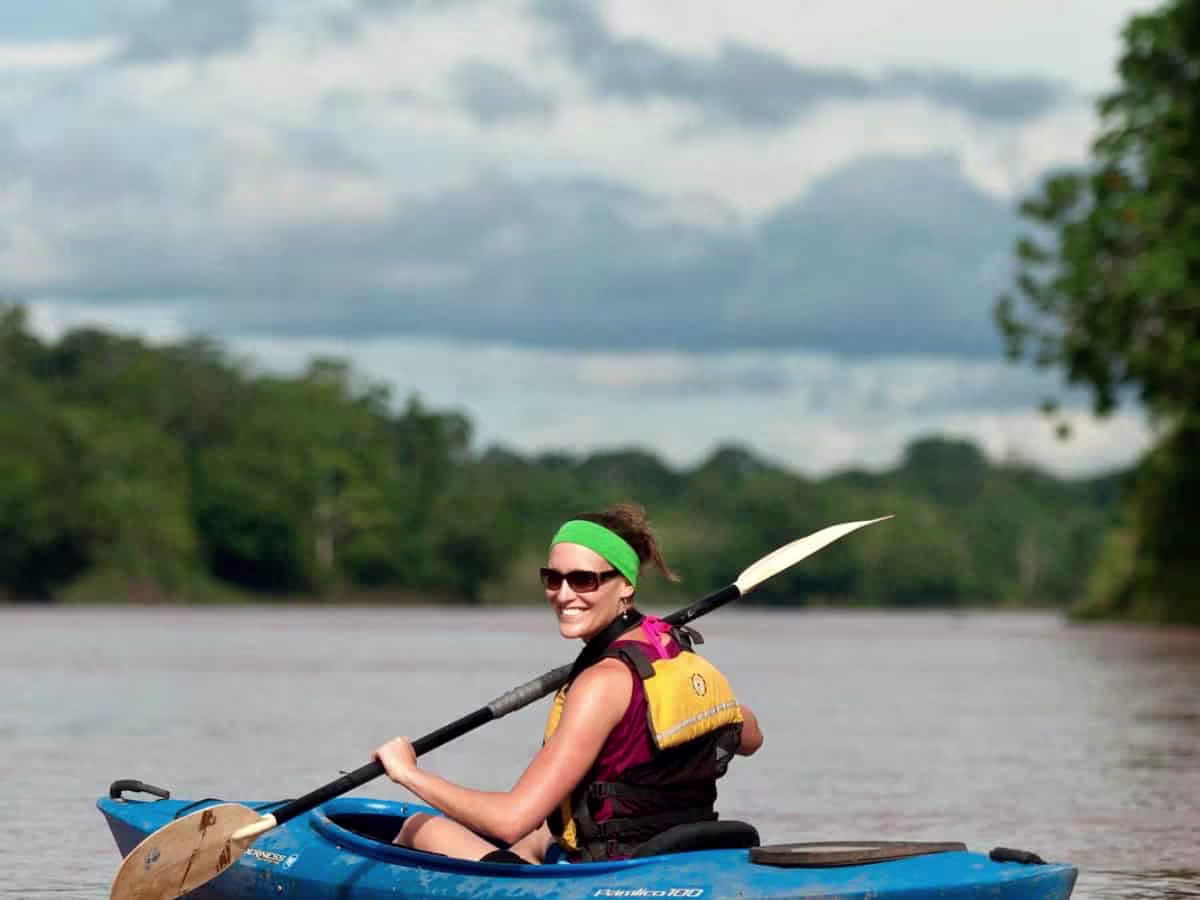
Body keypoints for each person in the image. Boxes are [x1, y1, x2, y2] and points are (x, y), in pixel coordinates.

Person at [374, 503, 763, 864]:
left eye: (583, 580)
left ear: (625, 585)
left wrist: (409, 773)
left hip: (616, 873)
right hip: (684, 852)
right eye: (552, 578)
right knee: (540, 836)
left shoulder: (601, 683)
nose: (563, 595)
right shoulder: (676, 657)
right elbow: (750, 737)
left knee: (418, 829)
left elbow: (510, 819)